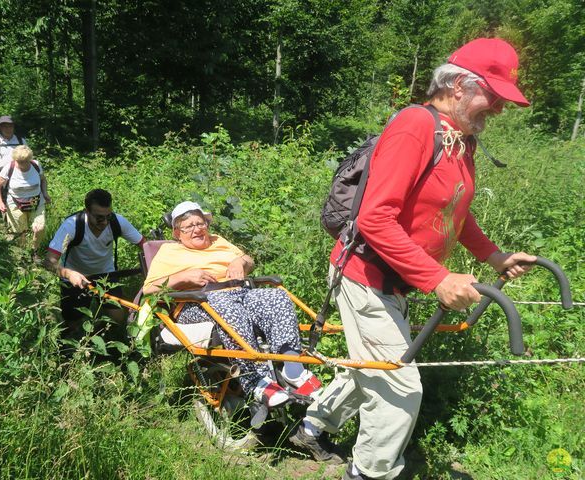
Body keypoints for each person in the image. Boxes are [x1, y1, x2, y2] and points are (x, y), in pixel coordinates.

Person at [290, 38, 538, 479]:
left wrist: (494, 256)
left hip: (396, 278)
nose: (499, 110)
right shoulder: (415, 125)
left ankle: (313, 425)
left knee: (382, 362)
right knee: (399, 385)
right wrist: (437, 278)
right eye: (494, 98)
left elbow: (455, 212)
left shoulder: (461, 141)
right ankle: (370, 472)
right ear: (459, 85)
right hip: (365, 274)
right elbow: (374, 219)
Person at [142, 201, 322, 408]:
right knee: (225, 305)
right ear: (177, 233)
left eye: (200, 224)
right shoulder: (169, 252)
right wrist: (183, 277)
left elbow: (248, 260)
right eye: (189, 226)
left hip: (237, 293)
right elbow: (149, 288)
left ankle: (292, 368)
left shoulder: (218, 241)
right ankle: (255, 380)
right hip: (196, 303)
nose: (197, 229)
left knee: (276, 297)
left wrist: (240, 262)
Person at [45, 189, 145, 339]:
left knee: (118, 317)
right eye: (99, 218)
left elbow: (146, 245)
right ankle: (69, 351)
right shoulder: (72, 225)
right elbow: (49, 261)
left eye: (108, 216)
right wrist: (68, 273)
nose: (104, 222)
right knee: (72, 325)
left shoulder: (117, 222)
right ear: (87, 212)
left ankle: (93, 338)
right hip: (75, 279)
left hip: (107, 275)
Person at [0, 145, 51, 256]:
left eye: (25, 161)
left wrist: (45, 193)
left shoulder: (36, 165)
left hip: (36, 201)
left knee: (40, 228)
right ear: (15, 159)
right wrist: (0, 203)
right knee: (19, 233)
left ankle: (35, 251)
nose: (22, 164)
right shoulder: (9, 168)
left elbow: (43, 180)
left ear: (30, 159)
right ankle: (22, 255)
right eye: (20, 161)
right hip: (15, 203)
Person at [0, 115, 26, 195]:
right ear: (0, 127)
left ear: (13, 127)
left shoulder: (21, 141)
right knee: (1, 203)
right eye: (5, 127)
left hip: (20, 175)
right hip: (0, 177)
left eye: (10, 126)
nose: (8, 129)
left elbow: (28, 160)